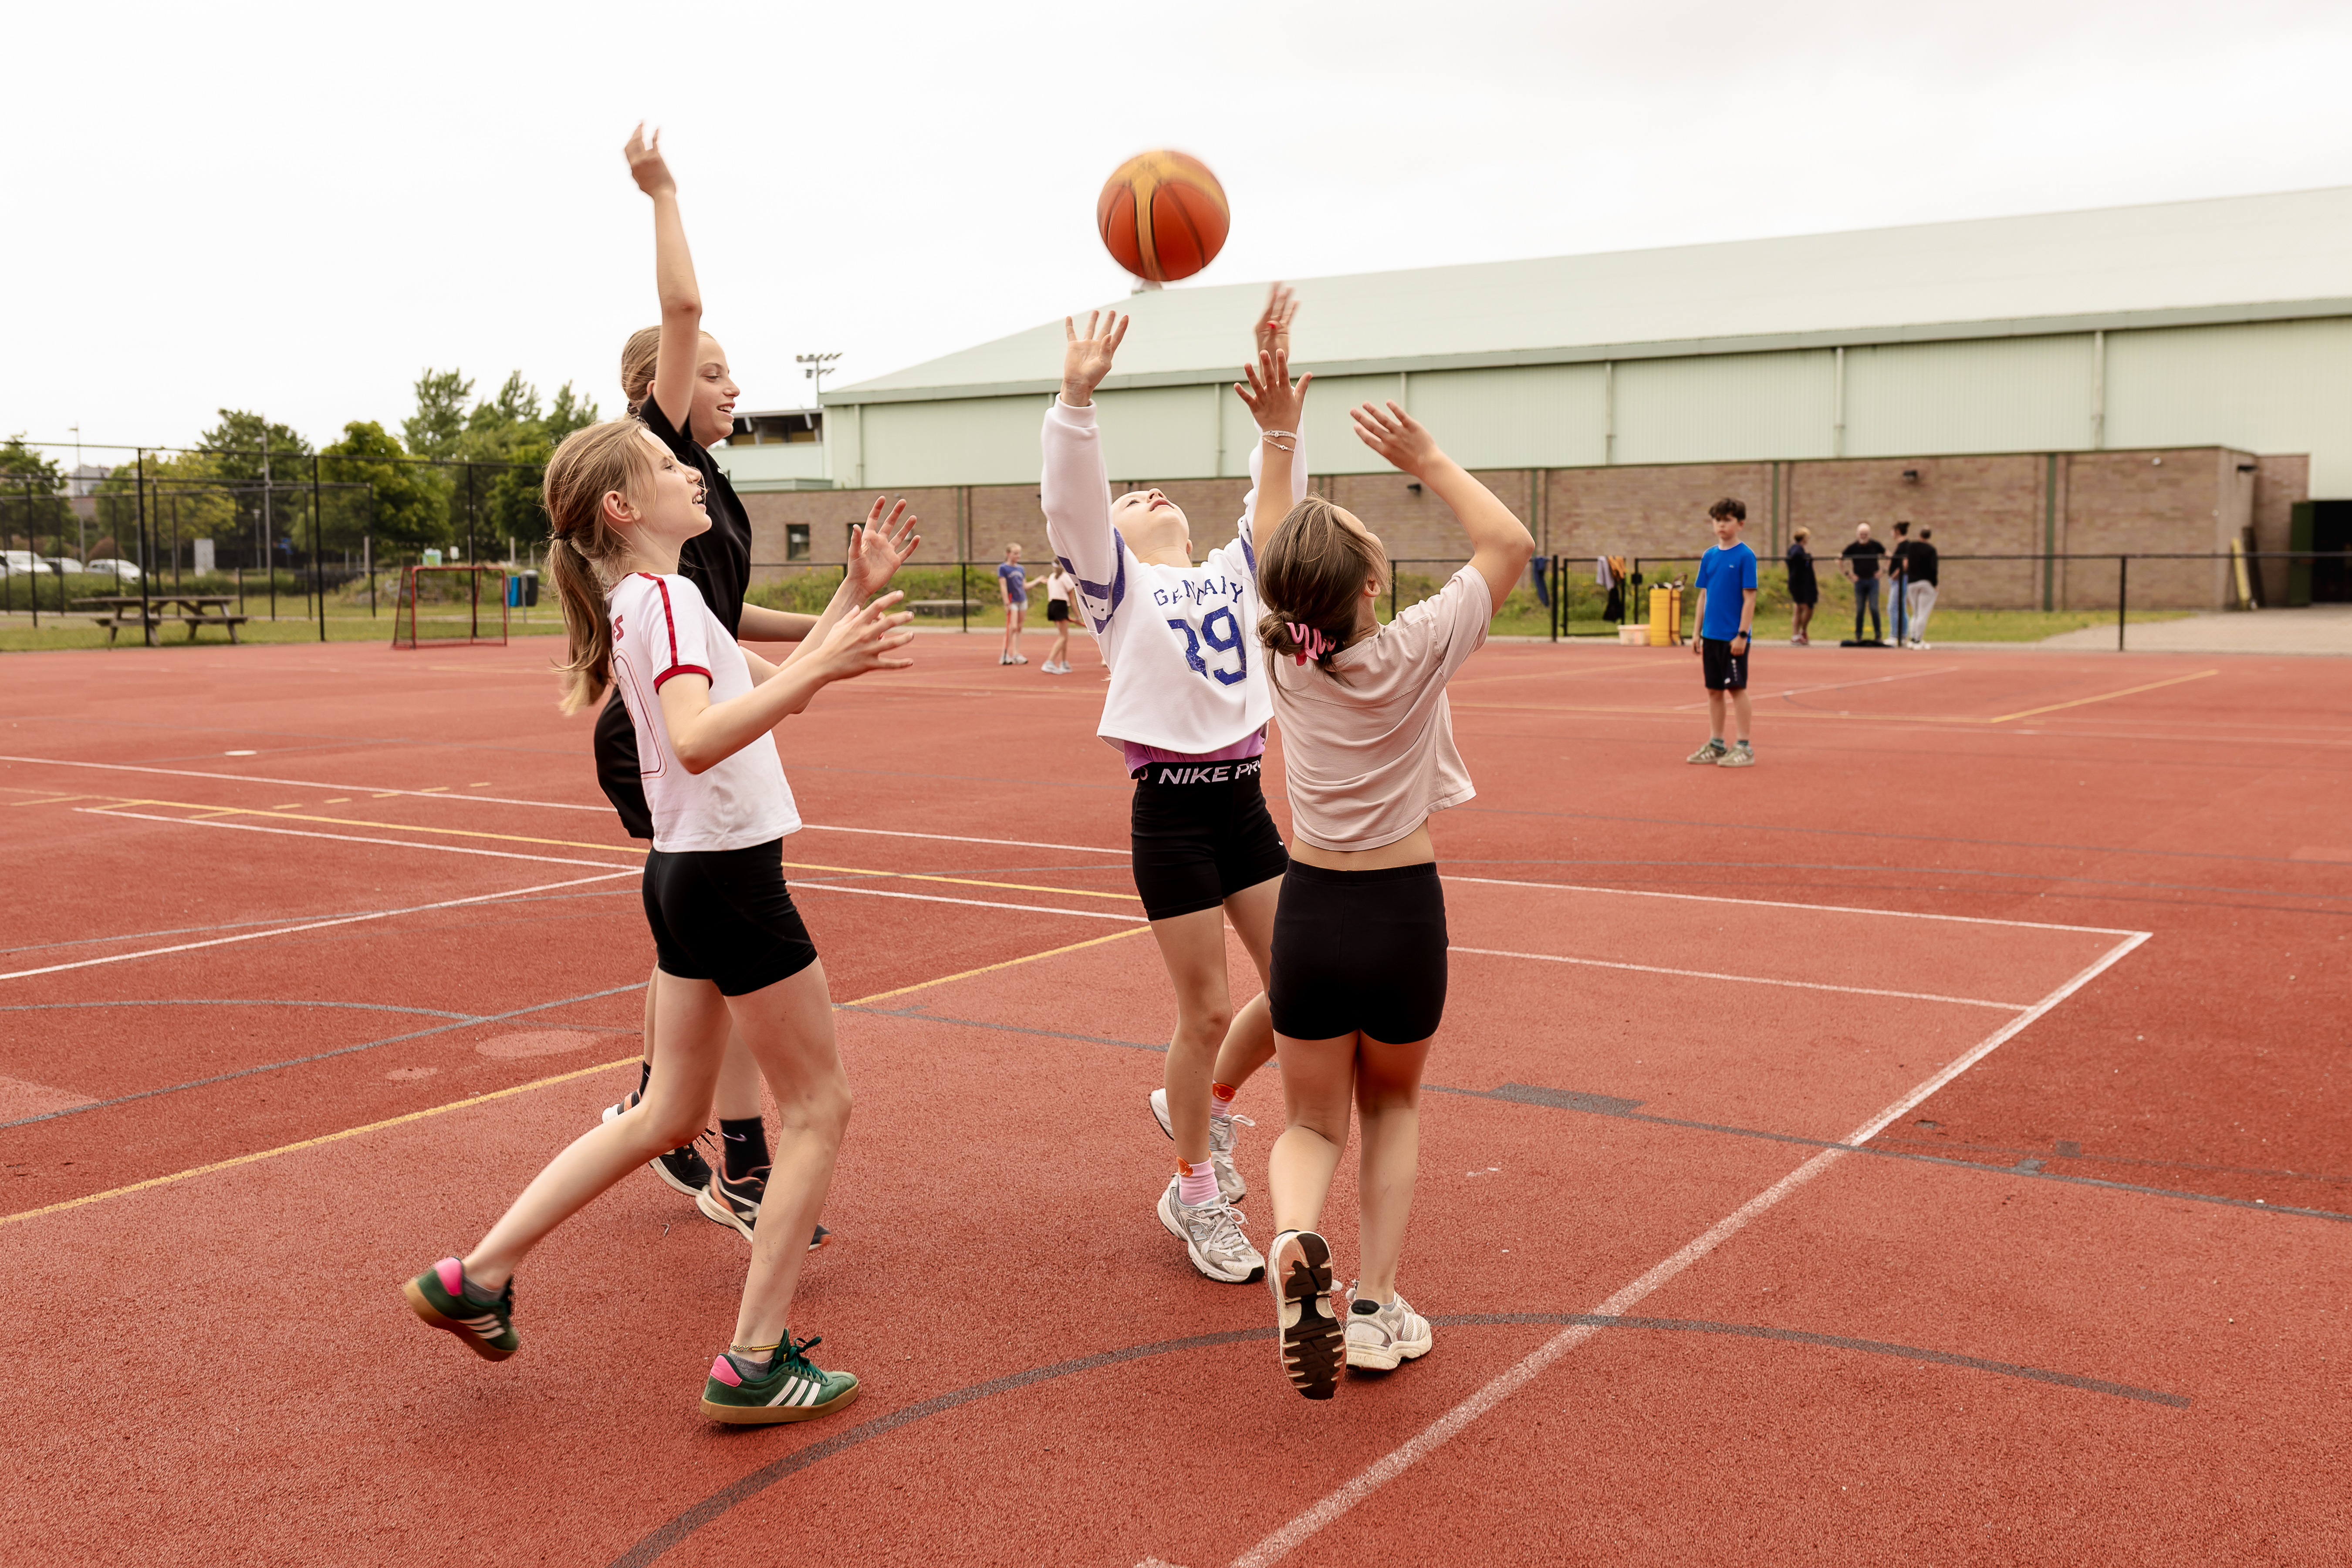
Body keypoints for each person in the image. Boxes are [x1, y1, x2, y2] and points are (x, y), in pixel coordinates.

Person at [404, 418, 916, 1424]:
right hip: (727, 876)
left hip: (683, 874)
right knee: (819, 1108)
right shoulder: (671, 602)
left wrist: (848, 597)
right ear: (622, 509)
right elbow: (693, 738)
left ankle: (479, 1273)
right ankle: (754, 1361)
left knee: (665, 1115)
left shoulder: (652, 602)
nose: (696, 475)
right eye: (673, 469)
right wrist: (822, 667)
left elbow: (772, 694)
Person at [595, 125, 900, 1248]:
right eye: (715, 371)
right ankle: (735, 1155)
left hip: (692, 695)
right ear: (659, 393)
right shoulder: (655, 448)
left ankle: (673, 1117)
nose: (730, 383)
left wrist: (828, 629)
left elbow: (728, 624)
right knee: (721, 941)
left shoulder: (703, 487)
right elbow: (680, 312)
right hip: (661, 730)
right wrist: (664, 192)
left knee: (700, 945)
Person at [1253, 397, 1534, 1400]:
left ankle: (1291, 1238)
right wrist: (1428, 458)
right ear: (1373, 585)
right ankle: (1372, 1305)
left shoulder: (1282, 654)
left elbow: (1274, 537)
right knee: (1394, 1103)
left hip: (1311, 915)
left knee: (1309, 1124)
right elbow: (1507, 540)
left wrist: (1278, 431)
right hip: (1402, 913)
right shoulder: (1417, 644)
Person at [1043, 290, 1305, 1287]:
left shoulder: (1237, 574)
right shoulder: (1116, 589)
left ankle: (1212, 1103)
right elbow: (1073, 501)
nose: (1143, 492)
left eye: (1157, 489)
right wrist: (1077, 401)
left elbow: (1272, 516)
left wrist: (1277, 429)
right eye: (1128, 493)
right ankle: (1194, 1186)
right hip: (1174, 817)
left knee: (1302, 984)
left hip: (1241, 802)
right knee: (1202, 1010)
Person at [1686, 499, 1758, 767]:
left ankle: (1744, 746)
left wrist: (1742, 634)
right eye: (1717, 520)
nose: (1721, 525)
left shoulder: (1745, 556)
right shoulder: (1709, 556)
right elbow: (1703, 596)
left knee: (1736, 689)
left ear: (1740, 523)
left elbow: (1749, 599)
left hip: (1733, 638)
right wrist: (1696, 633)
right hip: (1711, 636)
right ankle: (1717, 743)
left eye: (1727, 520)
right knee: (1714, 691)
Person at [1841, 523, 1886, 643]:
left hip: (1873, 580)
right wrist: (1849, 575)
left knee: (1874, 608)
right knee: (1860, 609)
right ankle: (1858, 636)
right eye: (1861, 534)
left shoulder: (1876, 545)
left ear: (1869, 535)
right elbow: (1839, 559)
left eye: (1866, 534)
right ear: (1857, 535)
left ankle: (1878, 635)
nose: (1863, 536)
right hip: (1859, 581)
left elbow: (1889, 556)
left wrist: (1883, 571)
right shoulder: (1853, 547)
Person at [1905, 526, 1940, 647]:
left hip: (1912, 583)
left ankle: (1912, 639)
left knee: (1915, 613)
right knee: (1923, 613)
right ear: (1929, 536)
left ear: (1920, 534)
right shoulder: (1931, 550)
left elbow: (1907, 562)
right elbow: (1933, 569)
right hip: (1925, 583)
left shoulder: (1911, 547)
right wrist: (1935, 584)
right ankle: (1918, 641)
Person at [997, 544, 1030, 665]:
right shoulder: (1003, 568)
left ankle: (1016, 654)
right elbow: (1003, 586)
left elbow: (1025, 586)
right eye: (1015, 554)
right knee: (1013, 627)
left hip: (1023, 600)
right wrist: (1006, 603)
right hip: (1012, 601)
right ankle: (1004, 655)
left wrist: (1038, 581)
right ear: (1008, 554)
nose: (1018, 556)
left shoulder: (1021, 569)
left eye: (1019, 554)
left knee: (1019, 628)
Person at [1041, 562, 1076, 674]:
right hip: (1060, 606)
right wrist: (1078, 616)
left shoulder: (1051, 577)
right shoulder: (1065, 578)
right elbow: (1073, 600)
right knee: (1063, 637)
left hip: (1052, 606)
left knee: (1064, 636)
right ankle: (1049, 663)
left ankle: (1064, 663)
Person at [1784, 527, 1817, 645]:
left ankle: (1796, 635)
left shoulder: (1798, 549)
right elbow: (1796, 556)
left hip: (1800, 583)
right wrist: (1806, 558)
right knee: (1808, 608)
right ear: (1804, 538)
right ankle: (1801, 632)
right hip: (1798, 584)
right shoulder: (1797, 549)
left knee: (1798, 608)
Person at [1886, 521, 1914, 645]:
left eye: (1892, 531)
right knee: (1899, 607)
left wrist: (1896, 575)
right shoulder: (1900, 545)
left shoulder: (1905, 545)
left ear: (1897, 531)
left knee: (1894, 607)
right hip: (1896, 580)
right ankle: (1901, 636)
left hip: (1900, 580)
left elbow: (1906, 563)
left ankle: (1896, 635)